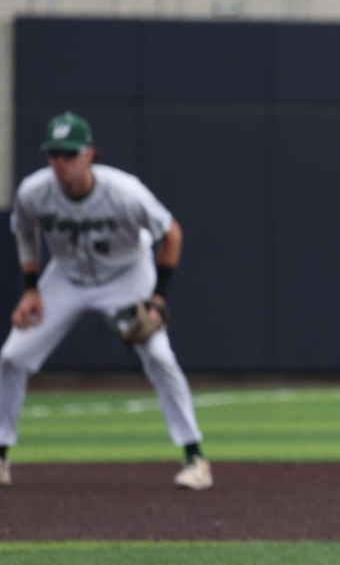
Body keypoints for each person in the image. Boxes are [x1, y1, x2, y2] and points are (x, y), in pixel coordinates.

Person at [3, 113, 210, 490]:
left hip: (127, 276)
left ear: (90, 154)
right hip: (65, 277)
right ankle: (1, 453)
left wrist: (157, 298)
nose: (61, 161)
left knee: (160, 357)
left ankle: (195, 456)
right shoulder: (34, 191)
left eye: (69, 153)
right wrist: (31, 288)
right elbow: (25, 233)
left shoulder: (125, 191)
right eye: (54, 154)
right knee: (12, 357)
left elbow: (172, 233)